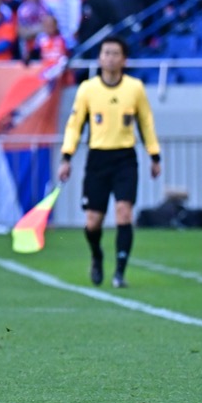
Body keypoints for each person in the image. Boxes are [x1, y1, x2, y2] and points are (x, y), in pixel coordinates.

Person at [57, 36, 162, 289]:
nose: (110, 58)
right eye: (106, 53)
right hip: (98, 159)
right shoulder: (88, 89)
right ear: (100, 57)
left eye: (116, 53)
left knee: (124, 213)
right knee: (93, 221)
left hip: (125, 158)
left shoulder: (134, 88)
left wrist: (154, 155)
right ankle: (96, 255)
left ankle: (119, 273)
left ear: (124, 59)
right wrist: (66, 157)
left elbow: (146, 122)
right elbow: (74, 125)